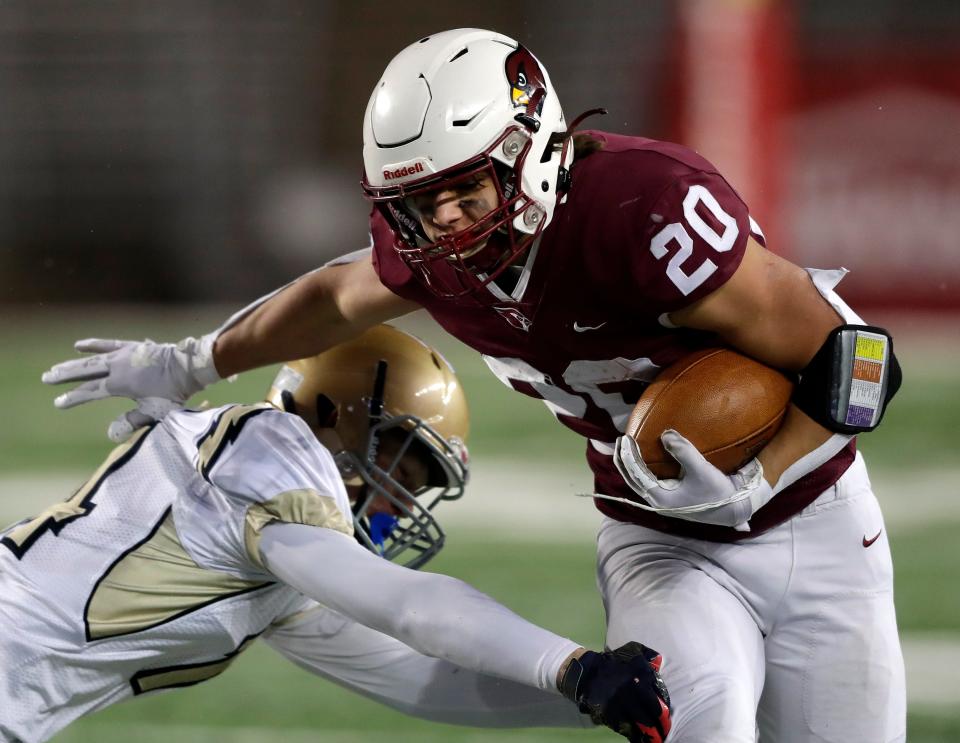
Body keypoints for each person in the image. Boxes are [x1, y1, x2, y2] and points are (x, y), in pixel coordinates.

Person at [42, 28, 905, 743]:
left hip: (818, 521)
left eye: (463, 190)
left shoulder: (641, 211)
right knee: (696, 723)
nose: (445, 222)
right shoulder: (436, 259)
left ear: (529, 151)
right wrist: (195, 360)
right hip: (661, 536)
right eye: (421, 203)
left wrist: (762, 474)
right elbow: (334, 296)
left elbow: (864, 360)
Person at [8, 324, 672, 743]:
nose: (399, 501)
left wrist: (595, 700)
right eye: (398, 464)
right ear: (331, 414)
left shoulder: (281, 553)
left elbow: (427, 681)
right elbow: (410, 607)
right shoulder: (272, 449)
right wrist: (573, 664)